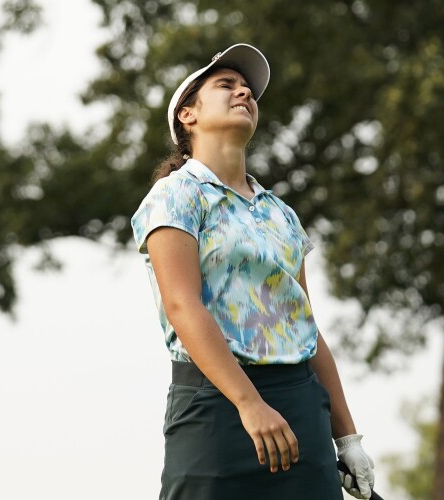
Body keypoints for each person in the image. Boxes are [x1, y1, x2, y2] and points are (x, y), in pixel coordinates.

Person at [130, 43, 375, 500]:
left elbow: (306, 327)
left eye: (248, 90)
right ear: (188, 115)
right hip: (214, 406)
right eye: (226, 85)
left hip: (301, 406)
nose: (243, 92)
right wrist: (249, 403)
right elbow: (183, 306)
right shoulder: (174, 196)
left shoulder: (282, 214)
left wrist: (347, 438)